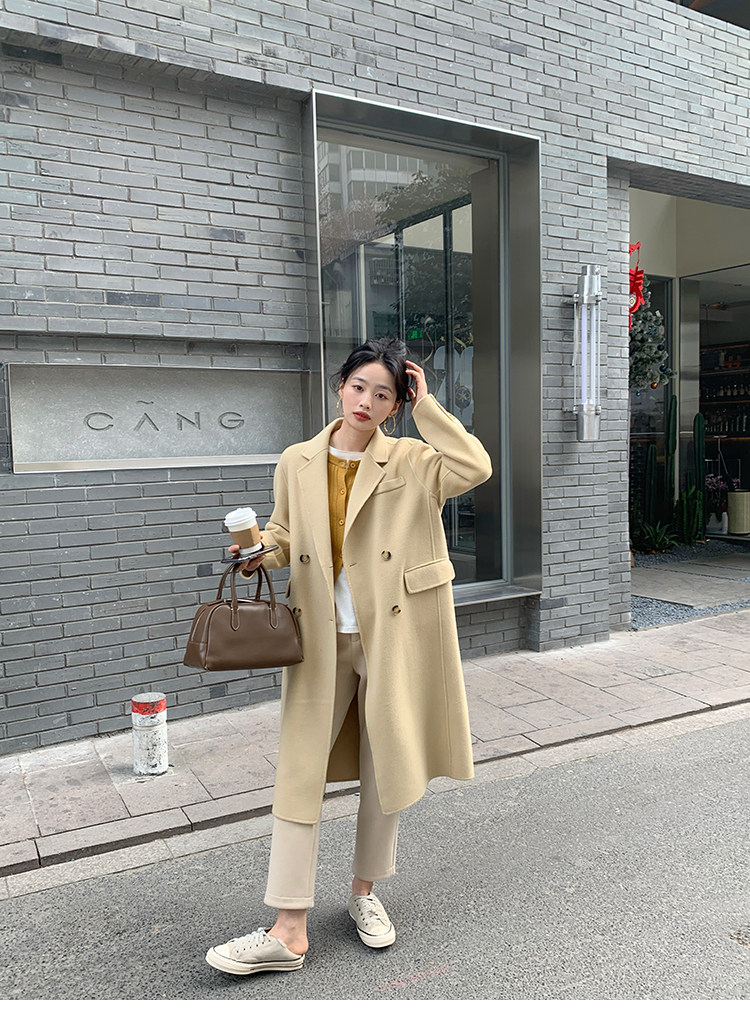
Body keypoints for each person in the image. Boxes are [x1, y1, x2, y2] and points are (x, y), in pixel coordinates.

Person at [206, 337, 492, 976]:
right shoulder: (298, 459)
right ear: (341, 387)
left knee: (384, 762)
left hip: (393, 633)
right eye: (359, 386)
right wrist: (260, 553)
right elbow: (285, 532)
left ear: (396, 405)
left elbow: (474, 466)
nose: (366, 401)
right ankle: (288, 927)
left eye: (383, 394)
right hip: (319, 635)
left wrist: (428, 407)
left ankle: (365, 892)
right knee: (298, 771)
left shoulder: (414, 460)